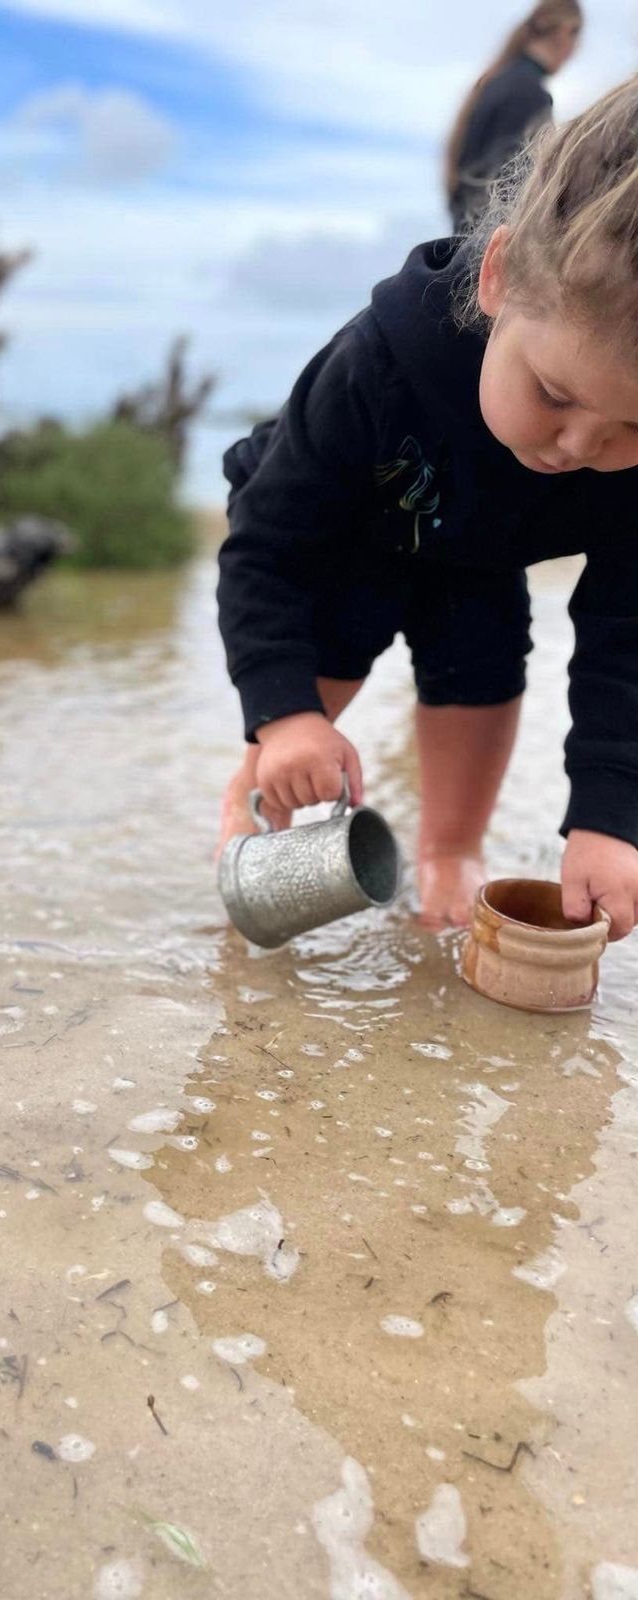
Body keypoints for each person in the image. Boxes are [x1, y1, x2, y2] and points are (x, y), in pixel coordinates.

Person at [216, 76, 638, 941]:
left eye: (632, 426)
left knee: (483, 669)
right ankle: (249, 820)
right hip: (333, 530)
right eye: (553, 393)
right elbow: (267, 548)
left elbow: (627, 635)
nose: (578, 447)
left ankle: (451, 851)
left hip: (480, 547)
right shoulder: (378, 365)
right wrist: (285, 714)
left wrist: (610, 816)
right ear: (498, 277)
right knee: (310, 688)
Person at [446, 2, 582, 231]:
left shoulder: (497, 84)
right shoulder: (528, 94)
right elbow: (510, 186)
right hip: (488, 244)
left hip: (467, 242)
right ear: (565, 32)